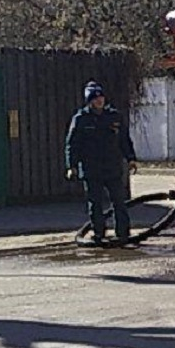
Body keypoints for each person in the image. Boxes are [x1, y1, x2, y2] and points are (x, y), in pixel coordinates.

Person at [65, 81, 137, 245]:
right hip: (92, 169)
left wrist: (131, 158)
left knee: (119, 201)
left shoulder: (114, 117)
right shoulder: (81, 119)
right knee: (95, 203)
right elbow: (72, 144)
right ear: (89, 100)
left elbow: (124, 141)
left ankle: (123, 233)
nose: (99, 100)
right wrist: (72, 166)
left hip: (112, 167)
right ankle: (99, 233)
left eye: (101, 97)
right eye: (95, 98)